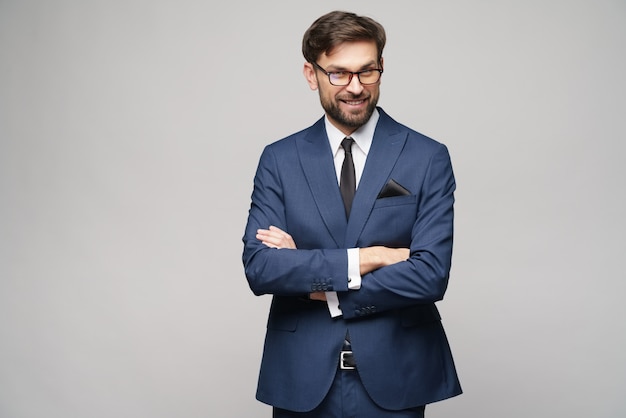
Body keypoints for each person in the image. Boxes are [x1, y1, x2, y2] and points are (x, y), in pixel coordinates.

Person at [242, 10, 461, 417]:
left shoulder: (427, 157)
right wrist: (368, 258)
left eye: (368, 72)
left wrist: (315, 282)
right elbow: (261, 268)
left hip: (398, 375)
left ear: (382, 67)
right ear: (312, 75)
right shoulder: (279, 160)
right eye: (339, 74)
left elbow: (430, 274)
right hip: (301, 377)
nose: (356, 87)